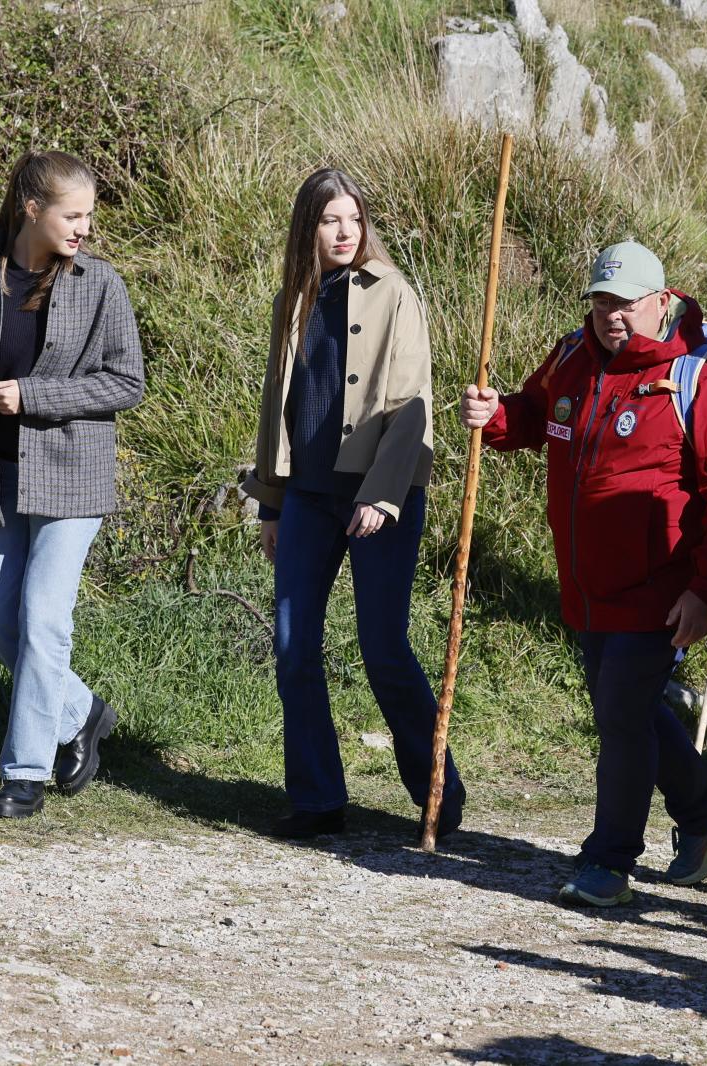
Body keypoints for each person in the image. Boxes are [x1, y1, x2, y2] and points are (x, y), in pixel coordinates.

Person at [461, 241, 707, 907]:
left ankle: (610, 862)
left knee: (622, 716)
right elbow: (538, 415)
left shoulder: (698, 383)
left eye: (624, 303)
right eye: (601, 301)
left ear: (661, 302)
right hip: (586, 586)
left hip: (660, 589)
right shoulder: (572, 359)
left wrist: (706, 591)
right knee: (625, 706)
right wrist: (498, 418)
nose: (611, 315)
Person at [241, 169, 463, 841]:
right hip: (308, 496)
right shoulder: (295, 298)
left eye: (353, 219)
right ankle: (317, 801)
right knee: (292, 645)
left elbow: (411, 404)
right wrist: (272, 504)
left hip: (379, 497)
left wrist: (385, 494)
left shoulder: (396, 294)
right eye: (329, 220)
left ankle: (437, 798)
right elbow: (278, 406)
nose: (344, 232)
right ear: (307, 228)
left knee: (383, 648)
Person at [0, 150, 144, 819]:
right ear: (31, 209)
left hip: (73, 476)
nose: (83, 227)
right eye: (71, 215)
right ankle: (82, 713)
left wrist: (36, 395)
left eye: (88, 215)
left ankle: (24, 774)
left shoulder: (100, 284)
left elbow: (127, 381)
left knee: (43, 620)